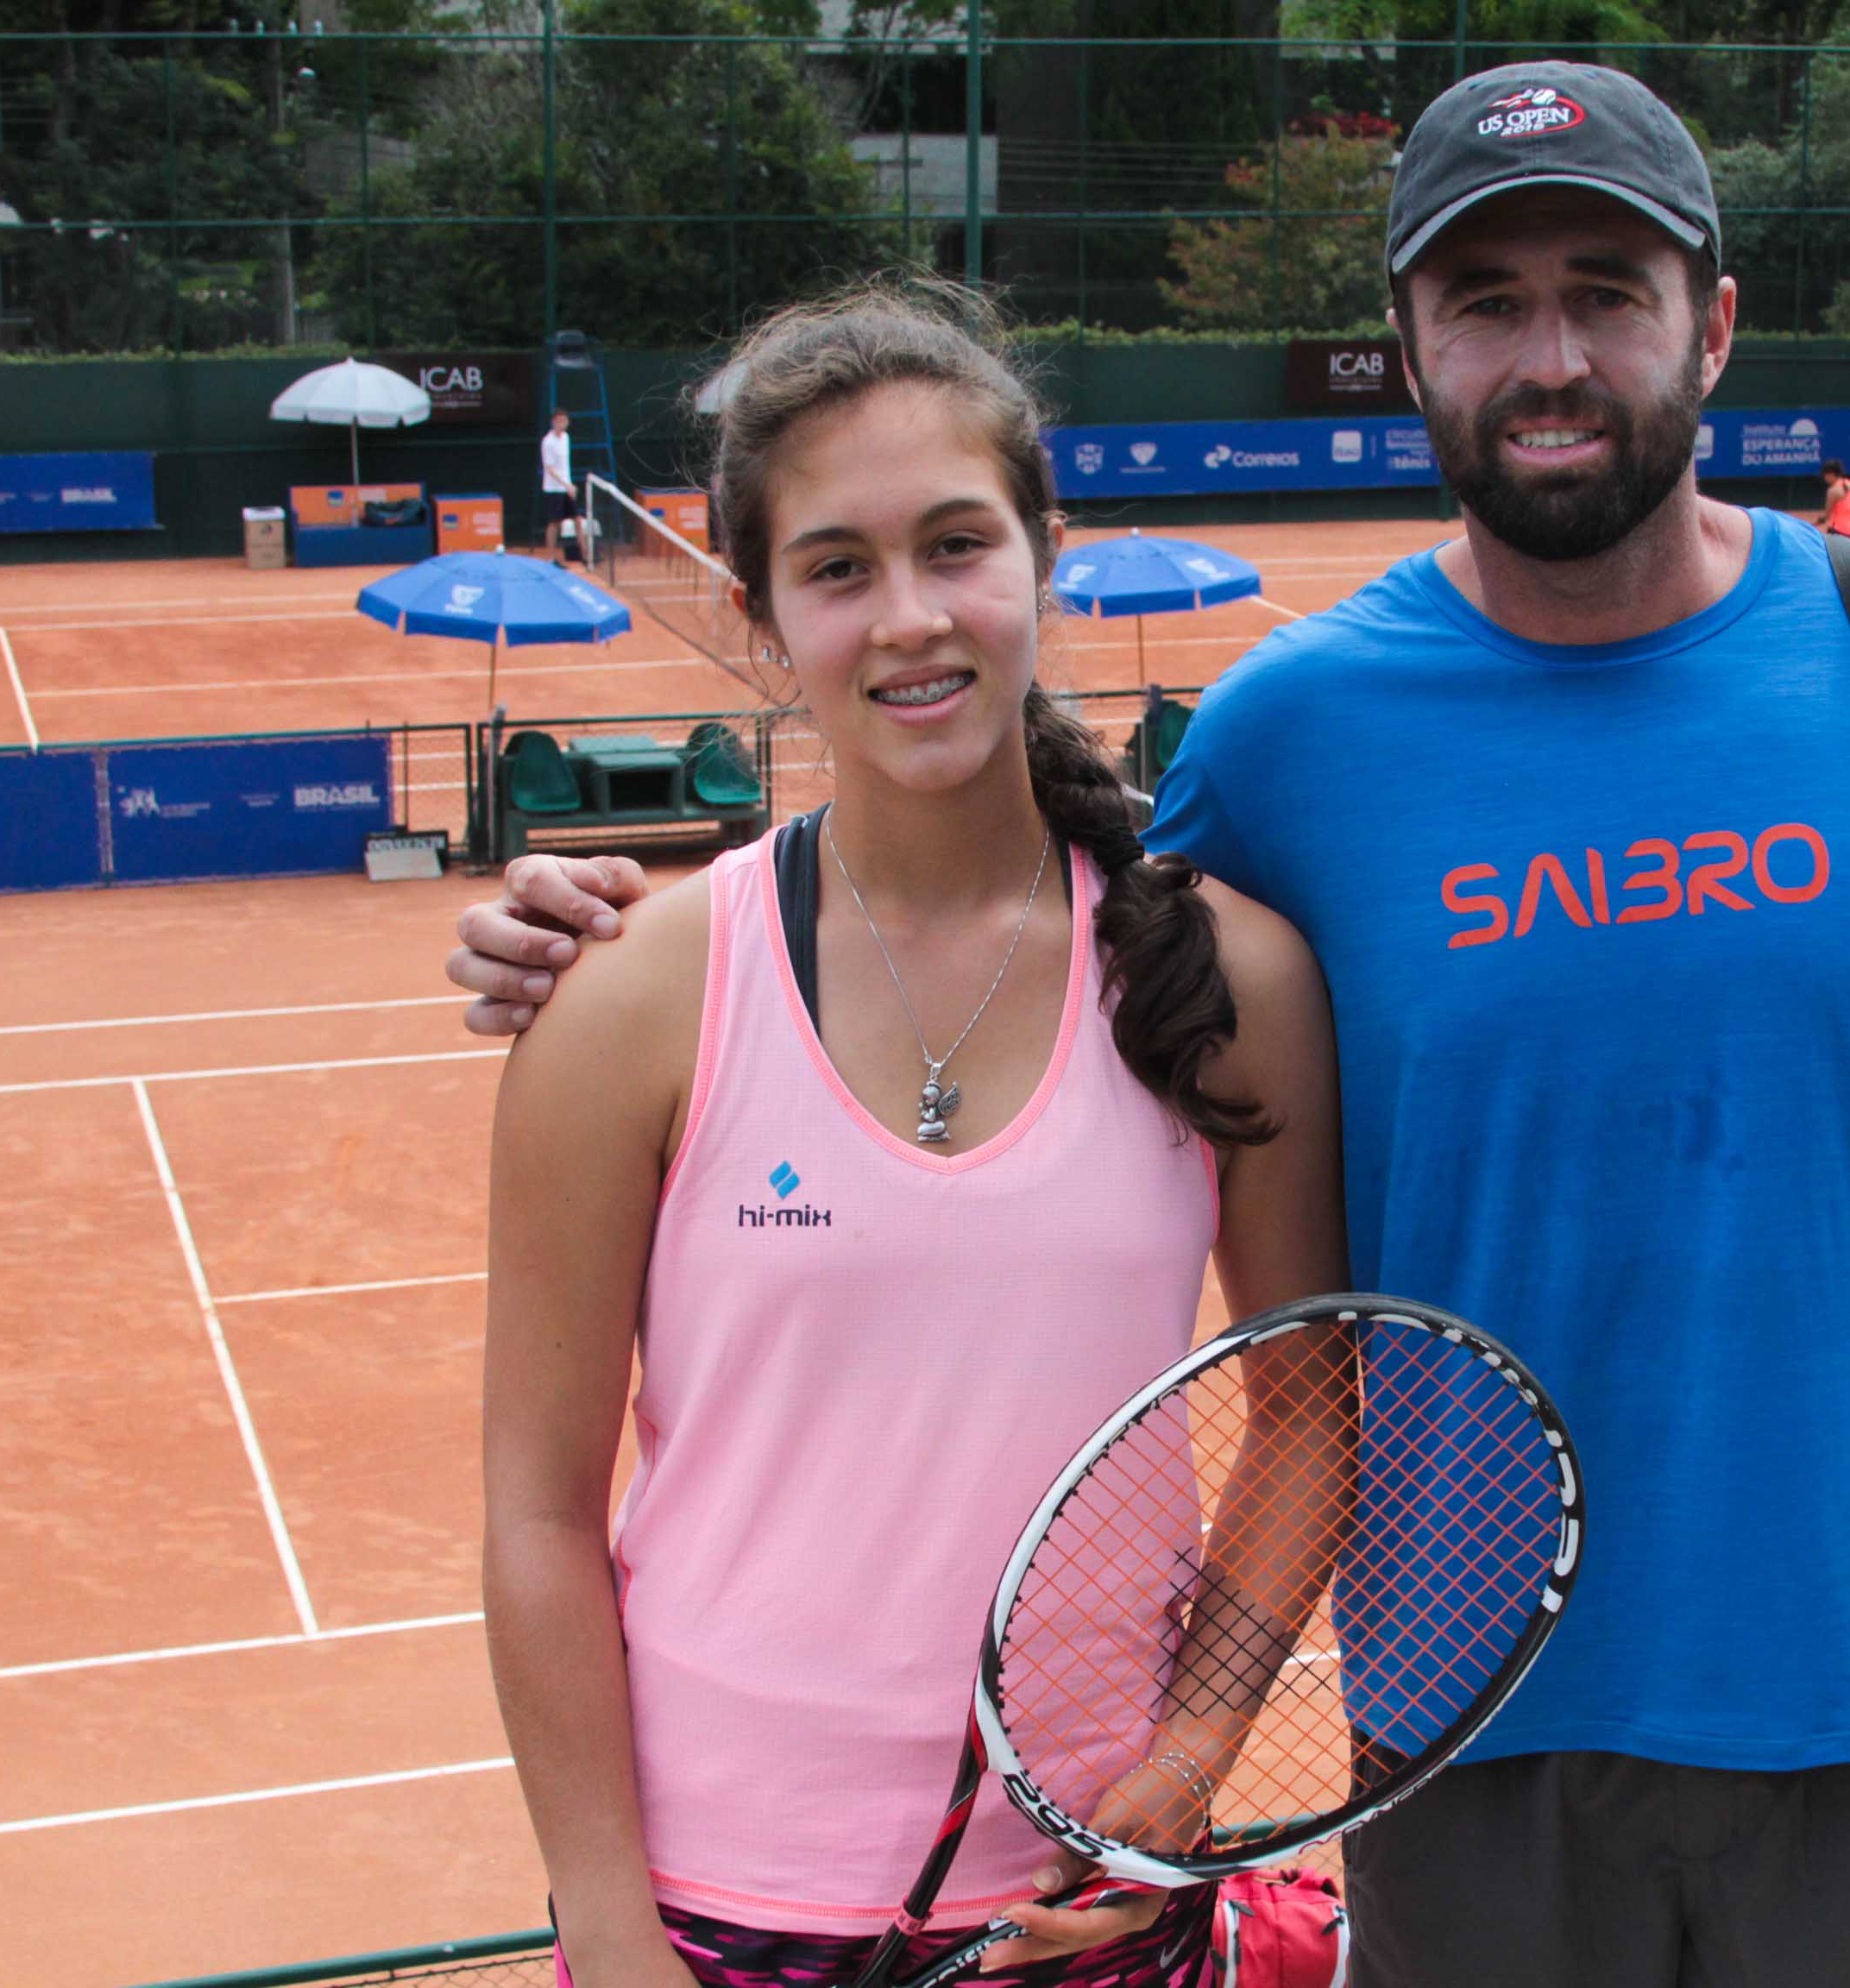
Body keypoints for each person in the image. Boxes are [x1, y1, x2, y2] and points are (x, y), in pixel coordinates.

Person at [450, 62, 1850, 1988]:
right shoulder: (1291, 743)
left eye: (1604, 290)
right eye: (1483, 301)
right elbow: (990, 864)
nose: (1546, 352)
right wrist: (635, 941)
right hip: (1459, 1758)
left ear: (1712, 325)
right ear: (1408, 348)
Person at [481, 278, 1344, 1988]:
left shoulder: (1233, 976)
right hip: (708, 1905)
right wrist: (607, 1923)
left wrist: (1184, 1771)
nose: (910, 620)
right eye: (838, 568)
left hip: (1091, 1891)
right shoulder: (630, 999)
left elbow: (1311, 1407)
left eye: (959, 545)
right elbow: (536, 1512)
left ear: (1044, 552)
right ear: (760, 611)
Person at [541, 408, 579, 563]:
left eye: (564, 420)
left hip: (566, 488)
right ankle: (551, 557)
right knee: (554, 523)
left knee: (577, 519)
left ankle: (584, 556)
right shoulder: (548, 442)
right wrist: (566, 485)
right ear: (553, 422)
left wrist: (569, 485)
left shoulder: (566, 438)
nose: (561, 424)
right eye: (558, 421)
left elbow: (565, 467)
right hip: (553, 489)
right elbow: (549, 469)